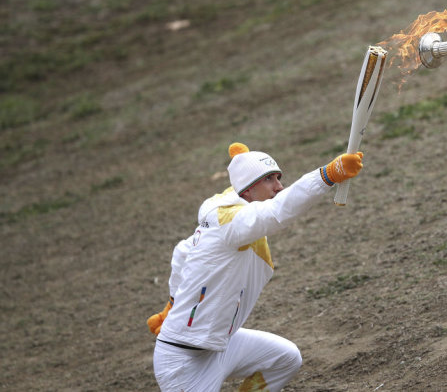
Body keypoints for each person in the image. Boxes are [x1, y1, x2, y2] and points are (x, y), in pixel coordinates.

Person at [147, 142, 365, 391]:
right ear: (247, 190)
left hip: (222, 344)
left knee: (285, 359)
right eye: (269, 179)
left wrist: (172, 304)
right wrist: (327, 175)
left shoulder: (225, 219)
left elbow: (182, 253)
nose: (279, 186)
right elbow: (277, 211)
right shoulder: (232, 222)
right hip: (184, 363)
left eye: (279, 178)